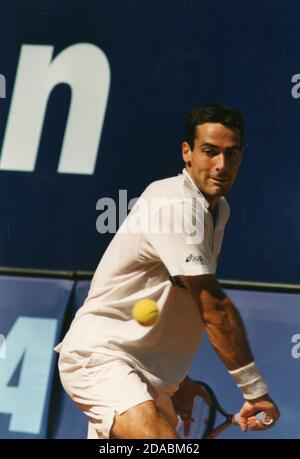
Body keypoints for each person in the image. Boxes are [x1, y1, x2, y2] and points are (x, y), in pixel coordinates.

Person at [55, 104, 280, 439]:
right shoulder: (175, 205)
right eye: (210, 152)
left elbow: (174, 295)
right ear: (187, 153)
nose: (221, 165)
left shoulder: (218, 210)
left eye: (231, 154)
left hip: (151, 378)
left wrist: (178, 381)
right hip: (102, 359)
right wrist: (255, 391)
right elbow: (213, 307)